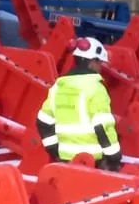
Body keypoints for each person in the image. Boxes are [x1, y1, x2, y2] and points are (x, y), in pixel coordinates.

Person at [37, 37, 121, 171]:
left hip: (66, 160)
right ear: (92, 62)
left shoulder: (58, 87)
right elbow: (103, 126)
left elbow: (43, 122)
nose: (100, 67)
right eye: (99, 63)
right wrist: (114, 156)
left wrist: (54, 149)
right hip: (93, 162)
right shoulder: (95, 88)